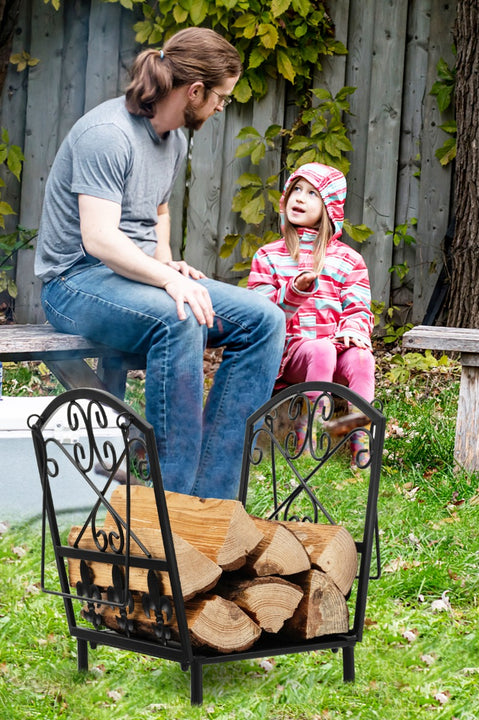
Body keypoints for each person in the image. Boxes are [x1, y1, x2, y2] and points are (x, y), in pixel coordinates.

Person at [34, 28, 285, 500]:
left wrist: (167, 264)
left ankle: (213, 499)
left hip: (134, 277)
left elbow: (159, 211)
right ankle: (174, 501)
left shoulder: (172, 141)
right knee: (180, 317)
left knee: (265, 320)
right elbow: (101, 239)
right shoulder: (107, 135)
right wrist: (167, 281)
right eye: (221, 99)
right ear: (194, 91)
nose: (219, 108)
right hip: (74, 282)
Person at [247, 163, 375, 459]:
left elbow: (358, 307)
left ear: (329, 206)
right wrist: (294, 290)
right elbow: (261, 316)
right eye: (296, 190)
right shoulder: (269, 256)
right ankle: (311, 435)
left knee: (362, 359)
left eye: (312, 193)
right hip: (291, 354)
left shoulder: (348, 260)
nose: (300, 198)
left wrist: (353, 331)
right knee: (321, 350)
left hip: (335, 347)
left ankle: (359, 437)